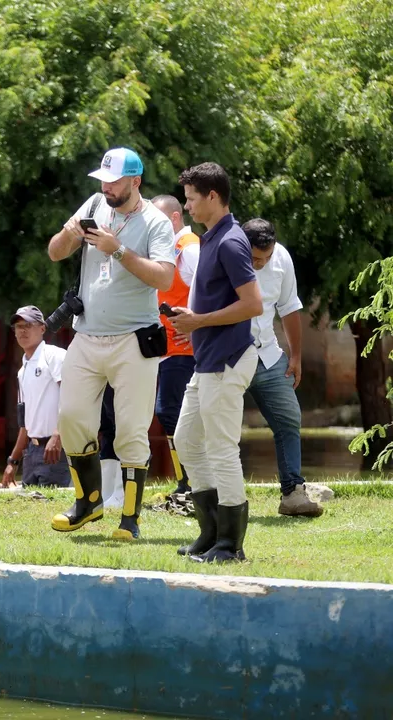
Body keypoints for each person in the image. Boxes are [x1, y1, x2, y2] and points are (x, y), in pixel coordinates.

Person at [46, 148, 175, 541]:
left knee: (131, 431)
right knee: (70, 417)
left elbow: (164, 279)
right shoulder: (94, 204)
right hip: (86, 334)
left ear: (135, 181)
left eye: (114, 182)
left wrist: (116, 250)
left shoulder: (156, 223)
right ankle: (88, 503)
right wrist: (70, 234)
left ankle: (130, 520)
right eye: (102, 180)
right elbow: (54, 253)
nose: (106, 188)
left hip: (133, 339)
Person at [171, 162, 263, 563]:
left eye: (192, 198)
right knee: (187, 441)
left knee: (222, 449)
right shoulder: (209, 238)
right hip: (206, 359)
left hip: (227, 361)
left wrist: (200, 321)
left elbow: (253, 305)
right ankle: (209, 534)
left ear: (213, 196)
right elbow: (218, 299)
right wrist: (193, 325)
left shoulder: (230, 241)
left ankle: (231, 544)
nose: (187, 205)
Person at [242, 218, 323, 517]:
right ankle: (209, 494)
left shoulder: (282, 257)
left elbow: (288, 306)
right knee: (216, 428)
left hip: (268, 356)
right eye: (254, 259)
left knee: (289, 418)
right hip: (230, 356)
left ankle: (293, 493)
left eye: (265, 257)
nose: (260, 264)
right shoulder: (227, 255)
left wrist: (296, 356)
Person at [151, 194, 201, 495]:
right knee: (172, 414)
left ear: (173, 218)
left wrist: (199, 328)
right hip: (170, 350)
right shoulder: (172, 250)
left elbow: (216, 290)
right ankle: (188, 482)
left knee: (171, 413)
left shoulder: (189, 248)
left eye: (158, 222)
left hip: (185, 351)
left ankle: (190, 482)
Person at [1, 306, 69, 488]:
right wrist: (13, 461)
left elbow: (72, 396)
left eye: (28, 325)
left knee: (51, 507)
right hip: (31, 452)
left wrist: (58, 434)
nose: (22, 330)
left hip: (55, 447)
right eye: (18, 326)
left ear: (42, 328)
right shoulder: (23, 371)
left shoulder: (54, 356)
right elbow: (26, 423)